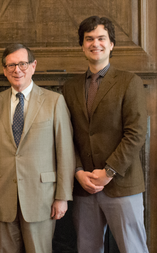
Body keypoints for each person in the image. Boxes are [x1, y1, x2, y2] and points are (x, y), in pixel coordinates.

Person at [63, 16, 149, 253]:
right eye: (89, 39)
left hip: (121, 184)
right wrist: (78, 172)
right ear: (82, 45)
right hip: (84, 187)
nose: (95, 43)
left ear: (111, 44)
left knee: (133, 249)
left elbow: (136, 133)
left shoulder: (129, 82)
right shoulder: (69, 89)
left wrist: (109, 171)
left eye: (101, 38)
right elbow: (66, 137)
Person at [0, 43, 75, 253]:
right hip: (4, 197)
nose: (17, 70)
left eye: (22, 64)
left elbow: (65, 152)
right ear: (4, 70)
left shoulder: (54, 101)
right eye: (11, 65)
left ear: (33, 66)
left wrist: (62, 197)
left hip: (42, 198)